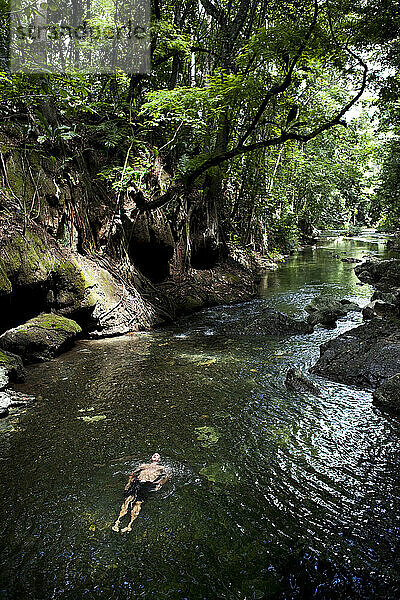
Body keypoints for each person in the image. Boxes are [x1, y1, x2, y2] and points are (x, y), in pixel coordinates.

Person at [112, 453, 169, 533]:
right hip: (137, 482)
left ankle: (129, 525)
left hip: (148, 484)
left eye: (157, 456)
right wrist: (129, 483)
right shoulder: (143, 465)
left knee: (138, 503)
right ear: (151, 458)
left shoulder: (161, 468)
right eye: (154, 455)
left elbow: (167, 476)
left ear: (159, 460)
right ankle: (117, 522)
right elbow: (132, 474)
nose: (155, 455)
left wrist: (159, 484)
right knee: (127, 500)